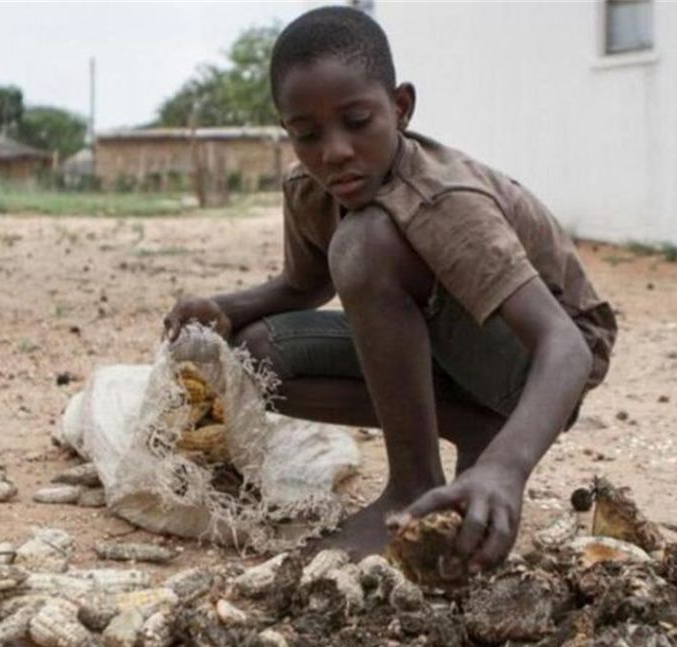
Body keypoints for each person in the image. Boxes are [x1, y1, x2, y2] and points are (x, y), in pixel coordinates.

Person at [164, 6, 616, 571]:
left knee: (366, 243)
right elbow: (304, 285)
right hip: (456, 343)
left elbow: (565, 345)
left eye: (357, 121)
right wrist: (224, 309)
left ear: (400, 108)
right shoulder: (311, 188)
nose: (335, 151)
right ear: (288, 131)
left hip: (539, 361)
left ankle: (412, 484)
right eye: (308, 133)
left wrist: (507, 468)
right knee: (256, 356)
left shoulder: (443, 200)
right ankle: (473, 425)